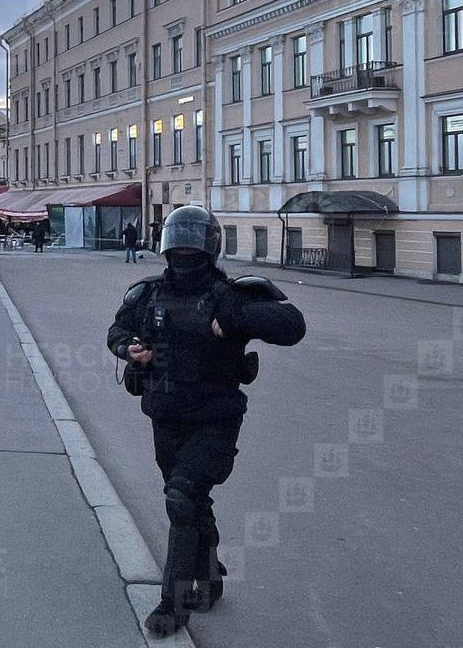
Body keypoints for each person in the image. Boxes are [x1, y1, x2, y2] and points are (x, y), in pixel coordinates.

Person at [105, 206, 306, 638]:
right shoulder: (149, 294)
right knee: (191, 501)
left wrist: (234, 319)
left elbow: (292, 325)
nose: (184, 253)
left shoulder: (229, 295)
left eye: (191, 245)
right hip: (165, 415)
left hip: (215, 419)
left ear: (209, 248)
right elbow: (116, 331)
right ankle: (209, 577)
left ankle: (172, 604)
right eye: (178, 245)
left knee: (181, 498)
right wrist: (129, 350)